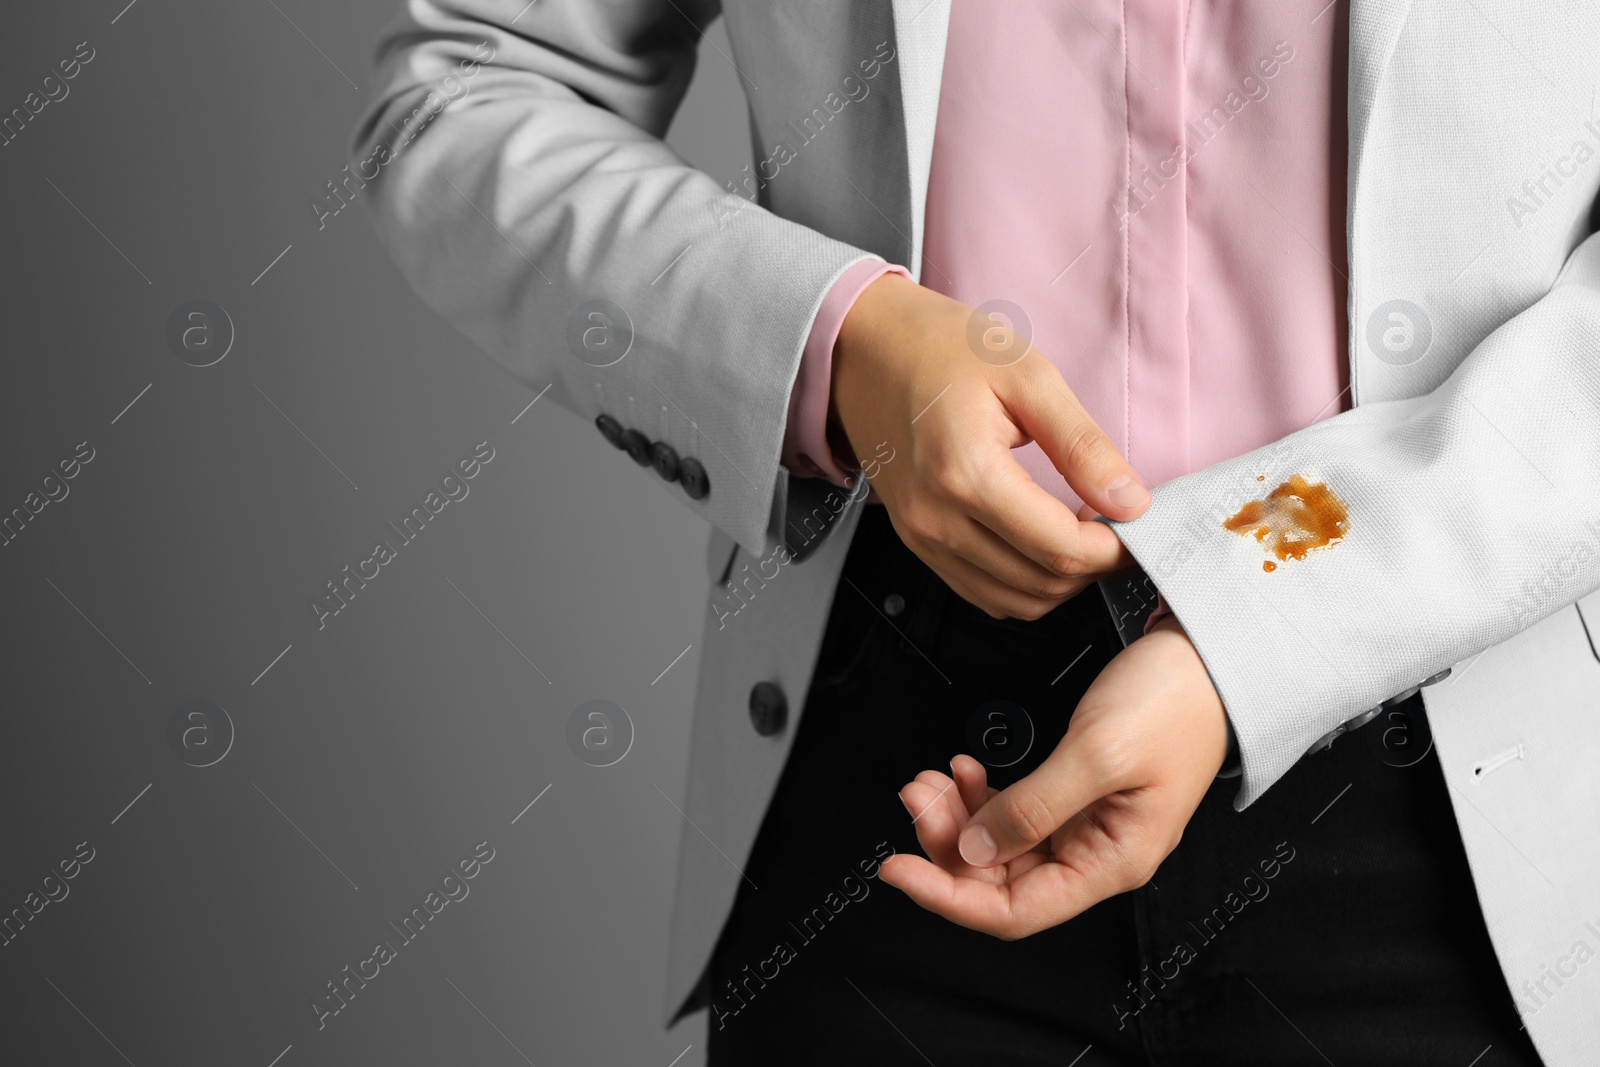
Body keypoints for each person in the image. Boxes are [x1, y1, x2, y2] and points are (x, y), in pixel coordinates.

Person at [355, 1, 1600, 1062]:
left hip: (1474, 774)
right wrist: (837, 345)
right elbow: (472, 85)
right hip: (899, 766)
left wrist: (1255, 611)